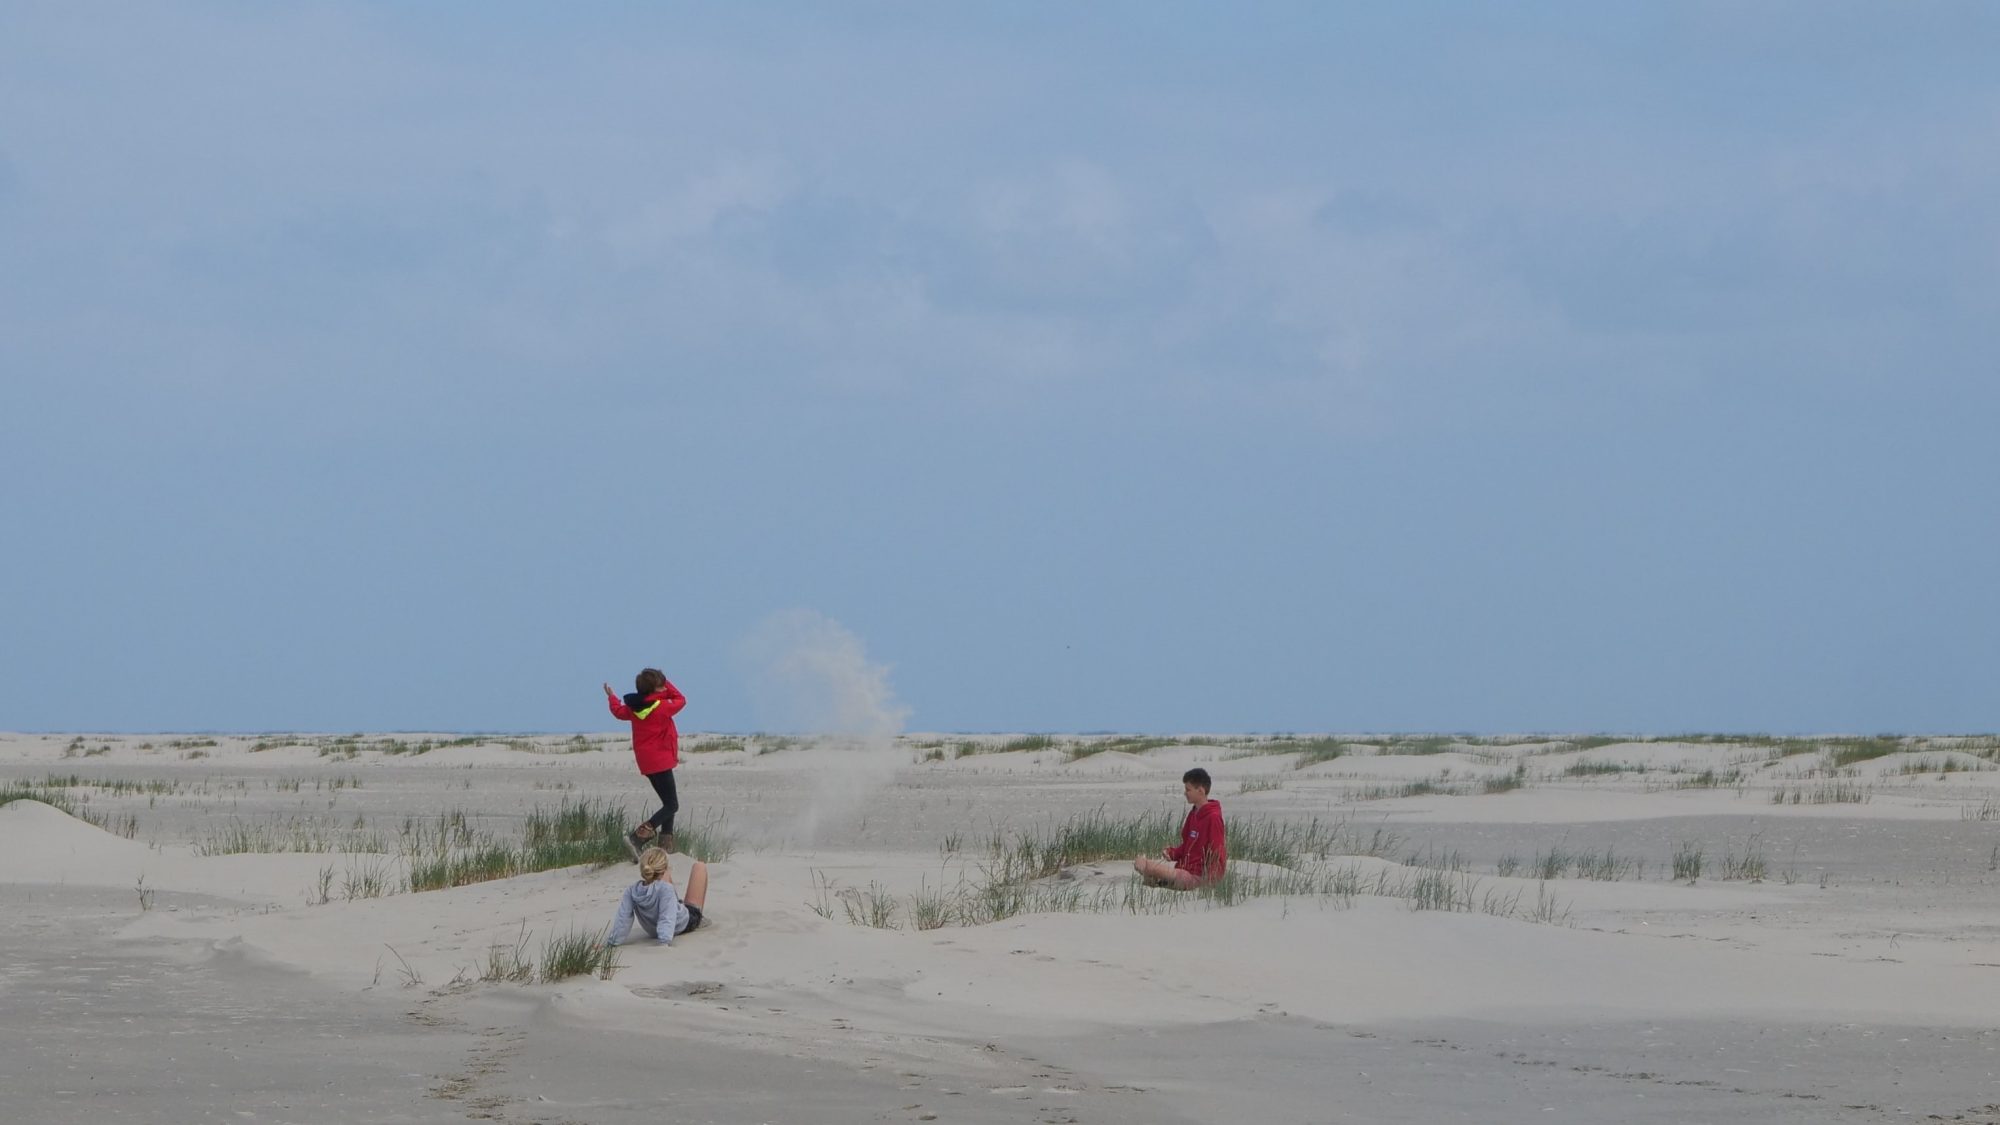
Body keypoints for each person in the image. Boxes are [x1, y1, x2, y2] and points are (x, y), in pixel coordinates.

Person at [603, 668, 687, 853]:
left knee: (667, 803)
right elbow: (682, 699)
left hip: (647, 763)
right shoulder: (662, 707)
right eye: (660, 687)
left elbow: (618, 711)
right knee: (672, 805)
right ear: (654, 689)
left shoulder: (634, 708)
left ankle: (666, 848)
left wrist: (611, 697)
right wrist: (668, 683)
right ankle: (638, 837)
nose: (663, 689)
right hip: (661, 761)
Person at [1133, 768, 1227, 889]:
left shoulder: (1213, 818)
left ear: (1201, 791)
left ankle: (1157, 880)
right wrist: (1172, 853)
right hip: (1183, 870)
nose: (1185, 793)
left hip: (1197, 876)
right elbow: (1187, 845)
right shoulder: (1193, 814)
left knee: (1147, 865)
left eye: (1188, 789)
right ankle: (1157, 881)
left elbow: (1217, 852)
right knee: (1139, 861)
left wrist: (1211, 882)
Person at [606, 846, 708, 947]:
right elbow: (666, 918)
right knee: (699, 866)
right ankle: (700, 919)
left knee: (662, 887)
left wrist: (612, 942)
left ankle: (676, 904)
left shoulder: (631, 891)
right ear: (663, 870)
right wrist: (664, 941)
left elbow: (623, 919)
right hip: (682, 924)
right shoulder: (665, 889)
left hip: (653, 931)